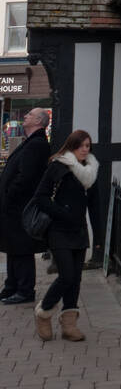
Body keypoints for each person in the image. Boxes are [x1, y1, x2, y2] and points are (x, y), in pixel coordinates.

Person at [32, 130, 98, 342]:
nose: (84, 150)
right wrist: (63, 213)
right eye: (80, 146)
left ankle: (69, 324)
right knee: (66, 275)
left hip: (79, 230)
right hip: (58, 230)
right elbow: (40, 197)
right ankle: (44, 312)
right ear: (72, 146)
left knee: (76, 278)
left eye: (88, 146)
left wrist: (99, 237)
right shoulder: (58, 166)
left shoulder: (91, 171)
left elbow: (96, 206)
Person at [0, 107, 51, 303]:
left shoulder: (36, 144)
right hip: (13, 207)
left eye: (29, 114)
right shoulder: (31, 142)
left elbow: (26, 177)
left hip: (19, 206)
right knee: (13, 248)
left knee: (22, 249)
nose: (25, 116)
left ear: (38, 121)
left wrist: (9, 195)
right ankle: (11, 286)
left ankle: (25, 290)